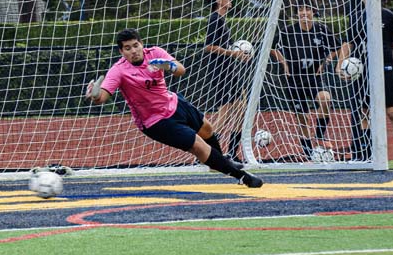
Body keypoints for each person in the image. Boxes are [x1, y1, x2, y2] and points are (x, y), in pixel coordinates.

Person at [86, 28, 263, 188]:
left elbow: (181, 70)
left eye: (135, 45)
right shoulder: (118, 70)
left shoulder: (155, 52)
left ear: (141, 44)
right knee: (198, 145)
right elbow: (101, 97)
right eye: (127, 48)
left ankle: (218, 162)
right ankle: (242, 177)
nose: (133, 51)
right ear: (121, 51)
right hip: (155, 121)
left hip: (174, 103)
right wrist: (93, 95)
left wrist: (167, 65)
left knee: (207, 129)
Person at [337, 0, 393, 164]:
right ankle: (367, 154)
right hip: (362, 70)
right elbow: (349, 43)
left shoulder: (389, 16)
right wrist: (340, 64)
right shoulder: (355, 17)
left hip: (385, 68)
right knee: (364, 112)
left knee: (392, 111)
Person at [273, 0, 341, 160]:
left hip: (314, 78)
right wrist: (284, 63)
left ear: (313, 12)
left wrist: (325, 62)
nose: (304, 12)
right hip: (294, 80)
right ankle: (308, 152)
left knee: (325, 99)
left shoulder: (321, 30)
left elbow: (338, 48)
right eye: (300, 9)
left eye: (307, 9)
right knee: (302, 117)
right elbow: (271, 46)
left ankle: (319, 136)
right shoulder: (288, 31)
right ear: (297, 13)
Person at [202, 0, 252, 161]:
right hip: (221, 72)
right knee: (228, 113)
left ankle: (230, 151)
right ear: (217, 0)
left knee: (239, 110)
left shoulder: (222, 20)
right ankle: (208, 150)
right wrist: (234, 53)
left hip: (228, 70)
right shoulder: (215, 19)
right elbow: (209, 46)